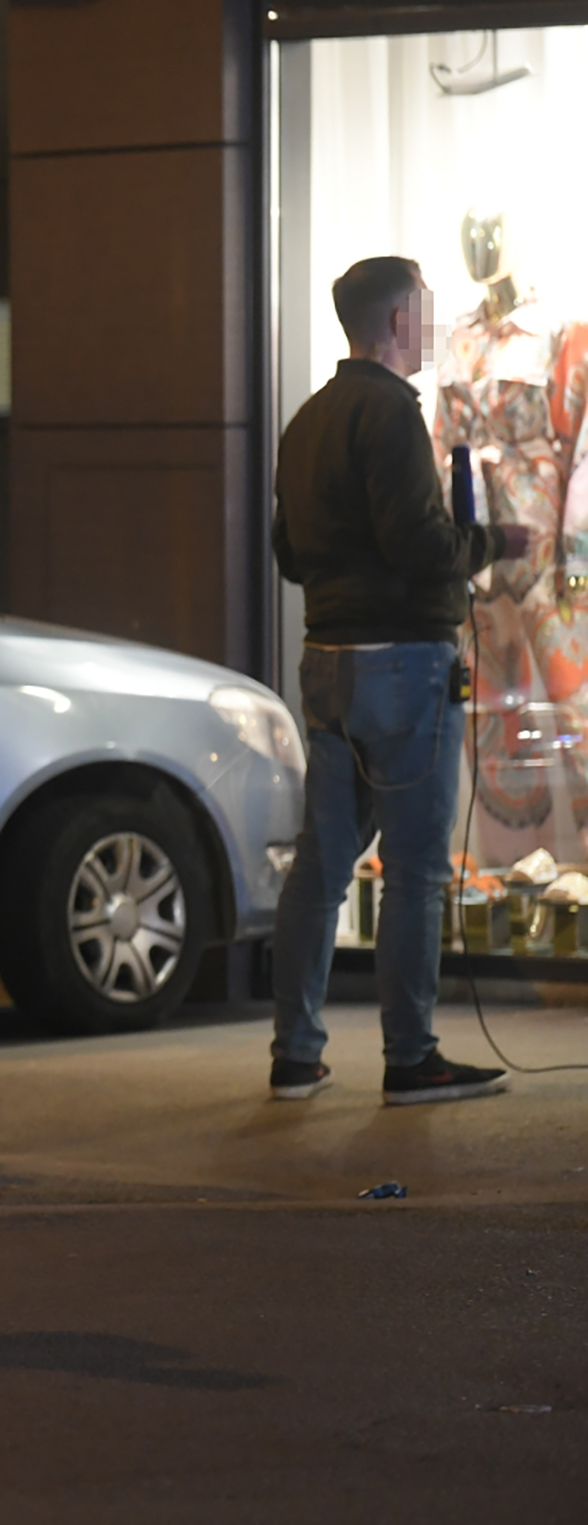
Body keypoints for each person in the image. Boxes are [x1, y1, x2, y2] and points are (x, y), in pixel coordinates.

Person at [268, 257, 523, 1106]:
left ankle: (295, 1056)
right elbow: (421, 545)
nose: (433, 321)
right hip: (404, 663)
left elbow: (287, 552)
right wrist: (486, 545)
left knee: (323, 863)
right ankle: (411, 1057)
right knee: (416, 868)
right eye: (423, 307)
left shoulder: (305, 422)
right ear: (396, 321)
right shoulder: (391, 414)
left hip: (327, 660)